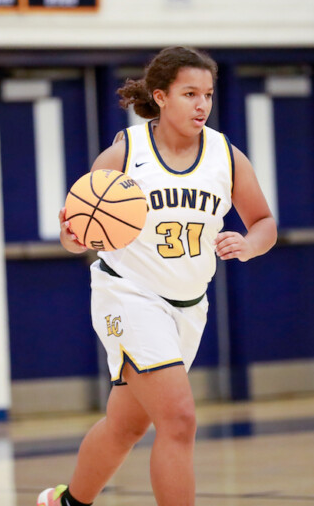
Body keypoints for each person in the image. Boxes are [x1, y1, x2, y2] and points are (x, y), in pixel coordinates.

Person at [38, 46, 277, 506]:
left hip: (188, 306)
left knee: (127, 425)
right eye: (190, 93)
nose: (202, 104)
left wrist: (249, 244)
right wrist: (72, 234)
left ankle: (66, 503)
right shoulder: (126, 152)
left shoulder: (226, 156)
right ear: (161, 96)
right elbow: (78, 234)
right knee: (179, 419)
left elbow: (264, 222)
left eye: (207, 94)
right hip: (128, 295)